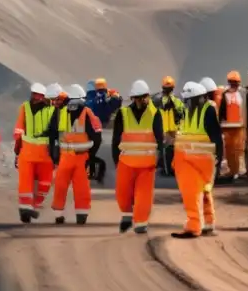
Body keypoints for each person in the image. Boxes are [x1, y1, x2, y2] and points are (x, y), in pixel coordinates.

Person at [171, 81, 224, 239]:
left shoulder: (206, 111)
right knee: (205, 192)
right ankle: (208, 223)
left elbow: (216, 136)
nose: (186, 103)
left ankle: (193, 226)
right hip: (200, 161)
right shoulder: (190, 112)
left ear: (197, 99)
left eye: (189, 100)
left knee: (191, 194)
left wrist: (218, 158)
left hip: (195, 161)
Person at [112, 79, 164, 234]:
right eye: (139, 97)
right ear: (134, 98)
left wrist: (158, 159)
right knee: (123, 194)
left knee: (143, 195)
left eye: (144, 97)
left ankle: (141, 222)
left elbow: (159, 139)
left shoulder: (155, 113)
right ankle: (127, 217)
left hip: (146, 164)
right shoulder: (123, 114)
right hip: (126, 162)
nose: (142, 100)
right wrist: (116, 160)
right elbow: (116, 139)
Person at [47, 85, 102, 225]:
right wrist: (91, 155)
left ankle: (58, 214)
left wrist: (54, 156)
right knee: (82, 187)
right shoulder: (87, 113)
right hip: (81, 157)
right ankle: (81, 215)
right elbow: (97, 137)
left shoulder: (59, 112)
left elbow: (52, 134)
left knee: (60, 185)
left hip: (65, 157)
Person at [14, 82, 56, 224]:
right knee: (26, 184)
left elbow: (56, 132)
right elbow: (19, 129)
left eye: (39, 95)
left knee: (44, 184)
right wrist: (17, 150)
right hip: (28, 153)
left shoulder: (52, 110)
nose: (36, 97)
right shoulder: (24, 107)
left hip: (44, 154)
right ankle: (25, 209)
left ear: (44, 96)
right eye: (34, 94)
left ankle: (33, 205)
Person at [153, 76, 185, 176]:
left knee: (172, 150)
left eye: (170, 88)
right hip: (163, 128)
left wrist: (175, 108)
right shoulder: (157, 99)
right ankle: (165, 168)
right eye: (167, 88)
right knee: (164, 149)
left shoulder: (176, 99)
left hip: (173, 129)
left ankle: (170, 167)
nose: (168, 90)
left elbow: (182, 112)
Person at [218, 70, 246, 180]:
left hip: (238, 127)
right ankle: (233, 171)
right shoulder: (225, 94)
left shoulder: (242, 93)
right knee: (230, 150)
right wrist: (220, 124)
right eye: (232, 82)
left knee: (238, 150)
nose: (234, 84)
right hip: (228, 127)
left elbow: (246, 110)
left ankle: (237, 171)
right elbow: (222, 110)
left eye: (235, 82)